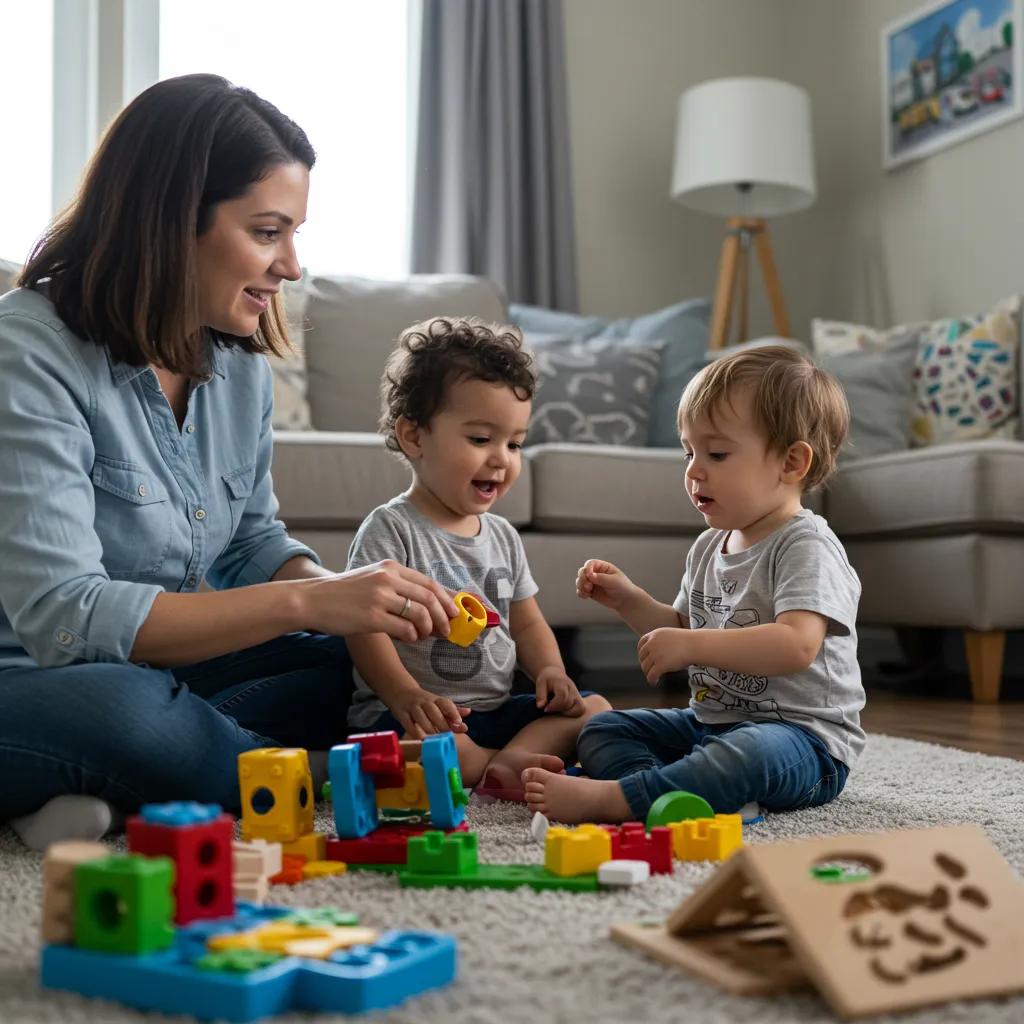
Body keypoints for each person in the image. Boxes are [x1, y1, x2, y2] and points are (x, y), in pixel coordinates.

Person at [0, 74, 457, 852]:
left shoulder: (235, 361)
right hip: (35, 680)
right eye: (269, 231)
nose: (292, 268)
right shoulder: (27, 354)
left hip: (160, 674)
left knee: (333, 665)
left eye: (294, 234)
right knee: (129, 714)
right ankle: (305, 771)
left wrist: (348, 602)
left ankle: (115, 790)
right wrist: (310, 607)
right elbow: (66, 617)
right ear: (173, 220)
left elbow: (251, 544)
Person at [523, 345, 866, 823]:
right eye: (689, 451)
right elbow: (681, 624)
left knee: (749, 752)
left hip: (802, 742)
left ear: (791, 463)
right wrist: (629, 600)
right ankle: (675, 796)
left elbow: (797, 646)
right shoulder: (709, 545)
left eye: (718, 453)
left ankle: (620, 800)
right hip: (712, 723)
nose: (693, 469)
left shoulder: (806, 546)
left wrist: (689, 644)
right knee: (604, 730)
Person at [345, 316, 612, 789]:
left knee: (596, 709)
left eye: (515, 443)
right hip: (414, 716)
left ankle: (503, 761)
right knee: (417, 754)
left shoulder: (502, 536)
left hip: (493, 708)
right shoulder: (392, 528)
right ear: (415, 436)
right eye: (480, 439)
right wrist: (405, 694)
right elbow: (363, 629)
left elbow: (527, 622)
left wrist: (550, 670)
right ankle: (498, 763)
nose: (501, 459)